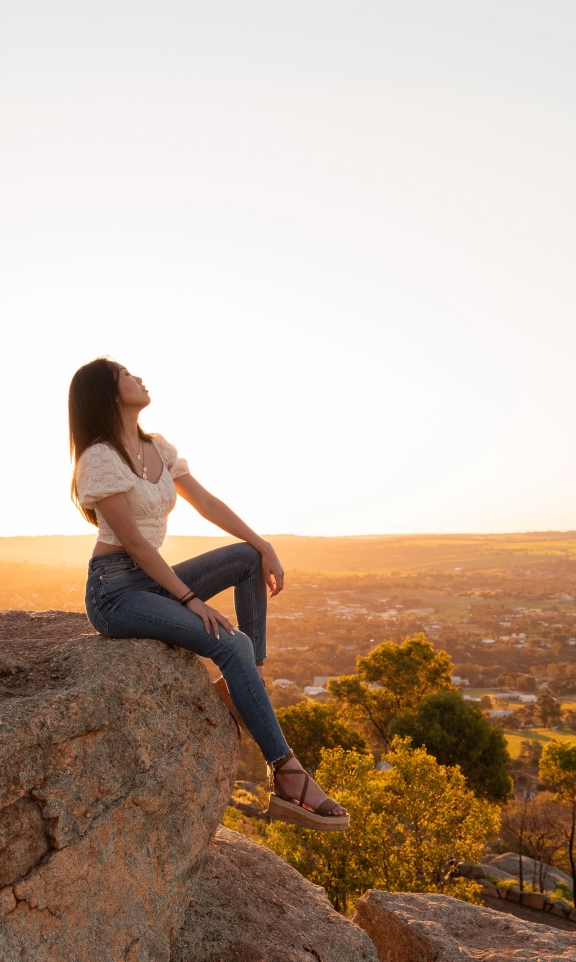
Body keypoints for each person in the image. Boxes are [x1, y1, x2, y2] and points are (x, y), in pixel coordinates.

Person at [68, 356, 349, 830]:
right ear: (109, 393)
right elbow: (134, 543)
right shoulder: (98, 457)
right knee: (228, 641)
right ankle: (287, 777)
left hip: (149, 577)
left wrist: (263, 545)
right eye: (127, 375)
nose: (140, 377)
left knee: (245, 560)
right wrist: (189, 599)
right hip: (115, 590)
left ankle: (249, 676)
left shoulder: (156, 446)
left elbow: (208, 503)